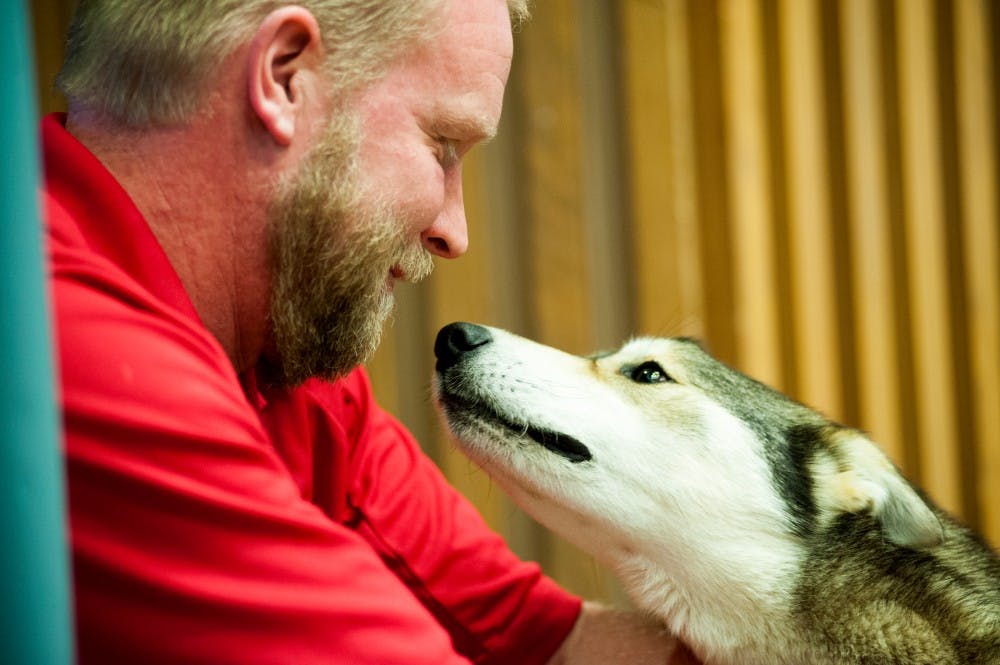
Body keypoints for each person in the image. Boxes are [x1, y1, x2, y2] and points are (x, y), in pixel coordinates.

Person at [45, 0, 700, 662]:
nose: (455, 231)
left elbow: (549, 641)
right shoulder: (65, 344)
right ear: (283, 75)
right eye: (442, 147)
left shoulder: (284, 362)